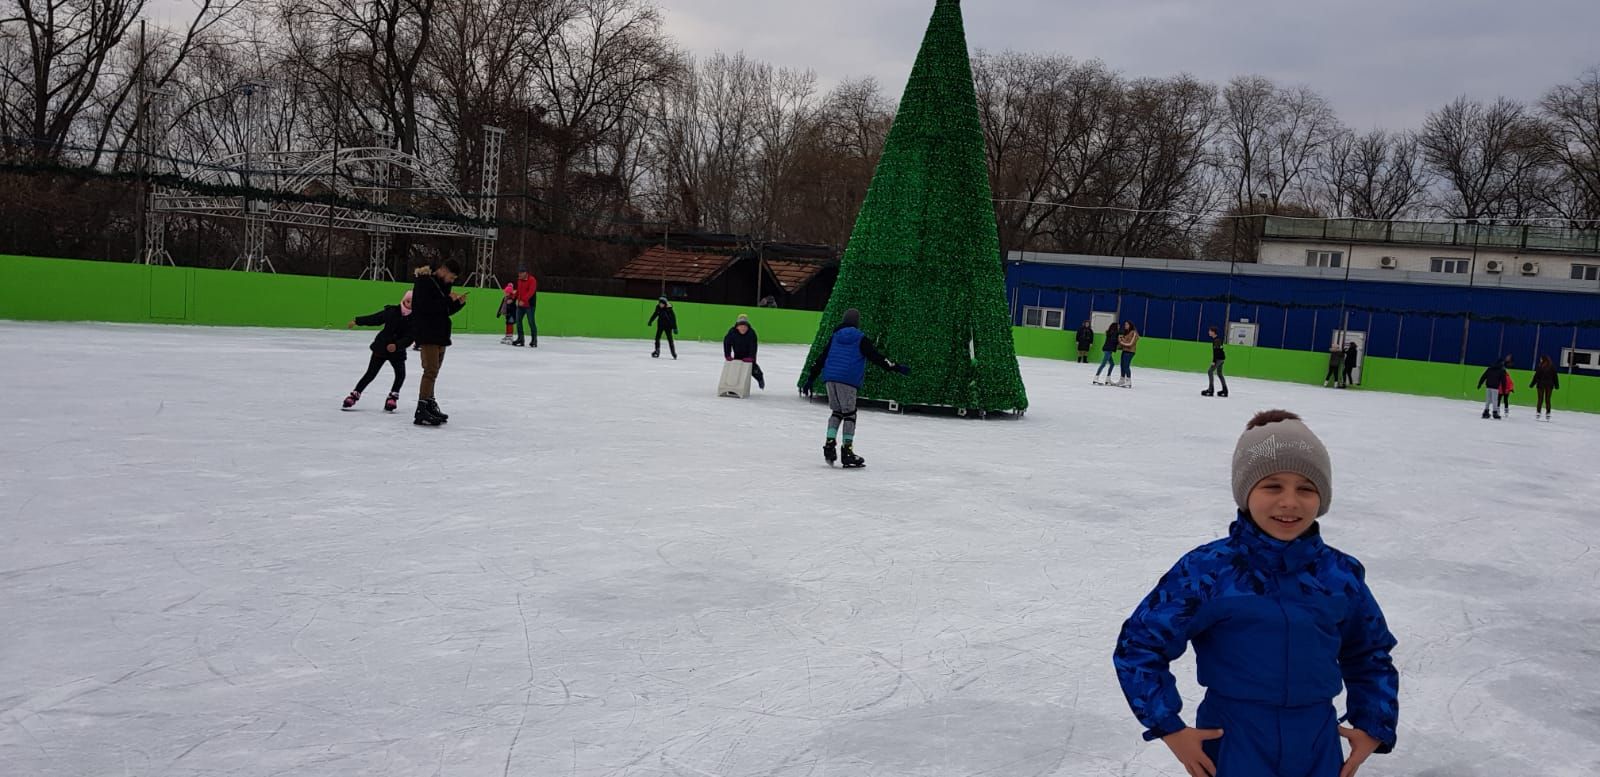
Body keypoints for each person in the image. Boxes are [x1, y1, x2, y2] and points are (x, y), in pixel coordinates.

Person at [1114, 409, 1399, 777]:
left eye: (1306, 488)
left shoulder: (1339, 574)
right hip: (1234, 737)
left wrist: (1374, 723)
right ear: (1245, 492)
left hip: (1316, 741)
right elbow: (1140, 645)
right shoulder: (1209, 570)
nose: (1290, 502)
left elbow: (1369, 652)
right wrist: (1168, 726)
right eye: (1272, 486)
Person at [801, 308, 910, 468]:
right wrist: (896, 367)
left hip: (830, 379)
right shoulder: (860, 338)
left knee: (836, 412)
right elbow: (876, 357)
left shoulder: (835, 336)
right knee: (849, 414)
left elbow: (821, 358)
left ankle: (829, 445)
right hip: (848, 380)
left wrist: (810, 379)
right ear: (857, 322)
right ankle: (847, 451)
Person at [410, 260, 467, 426]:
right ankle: (421, 409)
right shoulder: (424, 282)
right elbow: (427, 308)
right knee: (430, 370)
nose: (452, 281)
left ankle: (429, 403)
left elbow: (444, 311)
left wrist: (458, 303)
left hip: (440, 333)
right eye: (451, 277)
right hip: (428, 333)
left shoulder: (443, 285)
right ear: (443, 270)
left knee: (434, 371)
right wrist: (448, 300)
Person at [342, 291, 415, 412]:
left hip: (398, 351)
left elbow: (410, 337)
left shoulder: (415, 318)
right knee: (371, 373)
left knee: (400, 374)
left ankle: (392, 397)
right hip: (381, 347)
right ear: (403, 300)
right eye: (408, 301)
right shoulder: (392, 311)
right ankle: (354, 395)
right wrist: (357, 321)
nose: (410, 304)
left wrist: (397, 346)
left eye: (413, 302)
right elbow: (375, 319)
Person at [723, 313, 764, 389]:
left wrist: (751, 357)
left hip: (749, 355)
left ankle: (760, 379)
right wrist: (727, 355)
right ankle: (733, 387)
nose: (743, 328)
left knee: (753, 369)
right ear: (737, 327)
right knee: (735, 370)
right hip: (737, 354)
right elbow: (727, 343)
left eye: (745, 327)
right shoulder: (732, 332)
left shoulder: (751, 333)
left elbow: (753, 346)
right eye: (741, 326)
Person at [1476, 356, 1508, 420]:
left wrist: (1480, 384)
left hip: (1488, 386)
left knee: (1488, 400)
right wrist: (1504, 390)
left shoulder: (1490, 368)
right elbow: (1503, 381)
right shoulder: (1502, 370)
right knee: (1495, 400)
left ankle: (1486, 411)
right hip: (1495, 387)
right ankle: (1495, 412)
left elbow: (1484, 376)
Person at [513, 267, 538, 347]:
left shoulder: (532, 280)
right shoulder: (519, 280)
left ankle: (534, 340)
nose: (519, 275)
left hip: (530, 305)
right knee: (518, 321)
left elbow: (531, 292)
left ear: (525, 273)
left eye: (521, 273)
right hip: (520, 305)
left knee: (531, 322)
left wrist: (523, 300)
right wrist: (513, 298)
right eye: (519, 273)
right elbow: (518, 291)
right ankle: (520, 339)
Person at [1531, 354, 1560, 421]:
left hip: (1540, 385)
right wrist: (1556, 385)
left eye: (1541, 359)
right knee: (1548, 399)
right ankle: (1548, 413)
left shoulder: (1540, 366)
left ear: (1543, 359)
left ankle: (1538, 412)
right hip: (1549, 385)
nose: (1540, 360)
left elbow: (1536, 376)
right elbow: (1555, 377)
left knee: (1540, 399)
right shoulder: (1552, 367)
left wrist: (1532, 384)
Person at [1202, 326, 1229, 397]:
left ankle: (1211, 390)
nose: (1209, 332)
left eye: (1210, 331)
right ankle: (1225, 390)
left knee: (1210, 371)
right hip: (1221, 358)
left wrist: (1214, 361)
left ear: (1213, 332)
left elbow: (1216, 351)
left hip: (1218, 359)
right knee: (1219, 373)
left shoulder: (1216, 340)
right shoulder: (1217, 339)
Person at [1093, 320, 1120, 385]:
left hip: (1108, 349)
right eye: (1118, 326)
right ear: (1115, 327)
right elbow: (1113, 341)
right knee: (1103, 364)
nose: (1119, 327)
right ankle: (1096, 378)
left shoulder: (1111, 332)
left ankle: (1108, 379)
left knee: (1112, 364)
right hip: (1108, 350)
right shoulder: (1114, 333)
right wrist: (1119, 341)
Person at [1116, 321, 1140, 388]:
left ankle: (1128, 381)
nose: (1125, 326)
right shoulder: (1126, 332)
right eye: (1125, 324)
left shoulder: (1134, 333)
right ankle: (1122, 380)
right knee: (1122, 365)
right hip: (1124, 350)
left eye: (1127, 324)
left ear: (1130, 325)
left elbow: (1131, 343)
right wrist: (1120, 340)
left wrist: (1121, 342)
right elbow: (1124, 341)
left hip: (1130, 351)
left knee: (1126, 365)